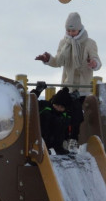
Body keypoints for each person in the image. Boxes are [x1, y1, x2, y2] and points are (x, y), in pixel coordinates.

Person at [34, 12, 101, 140]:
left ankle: (74, 140)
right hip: (67, 87)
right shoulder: (64, 43)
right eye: (68, 30)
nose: (70, 33)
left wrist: (94, 63)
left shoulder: (89, 43)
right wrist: (48, 59)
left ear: (80, 29)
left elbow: (97, 61)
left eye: (73, 30)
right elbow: (58, 62)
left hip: (82, 89)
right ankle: (60, 139)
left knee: (76, 114)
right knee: (59, 112)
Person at [37, 86, 76, 155]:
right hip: (41, 137)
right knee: (49, 118)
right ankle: (43, 147)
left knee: (61, 124)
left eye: (61, 107)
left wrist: (75, 101)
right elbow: (30, 101)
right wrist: (37, 91)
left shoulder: (66, 114)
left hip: (56, 139)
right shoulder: (45, 106)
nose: (58, 108)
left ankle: (58, 147)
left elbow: (77, 115)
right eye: (57, 105)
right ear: (53, 102)